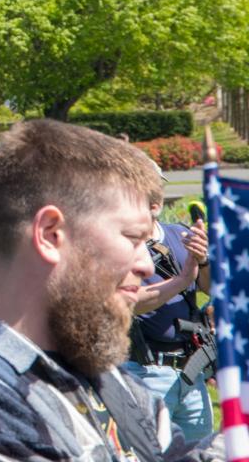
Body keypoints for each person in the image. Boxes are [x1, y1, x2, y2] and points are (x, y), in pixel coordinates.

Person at [0, 119, 218, 462]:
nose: (147, 266)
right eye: (132, 238)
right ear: (50, 234)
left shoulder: (83, 360)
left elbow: (174, 455)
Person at [126, 176, 213, 443]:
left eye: (157, 187)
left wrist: (204, 260)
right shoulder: (122, 243)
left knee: (197, 454)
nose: (154, 196)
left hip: (191, 372)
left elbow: (210, 288)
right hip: (145, 372)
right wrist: (182, 280)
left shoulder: (180, 233)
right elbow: (127, 303)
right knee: (150, 452)